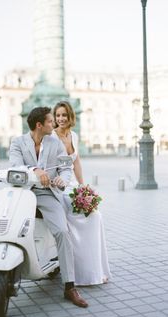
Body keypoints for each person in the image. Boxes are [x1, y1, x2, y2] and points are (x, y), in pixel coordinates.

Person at [0, 107, 88, 308]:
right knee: (2, 232)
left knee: (61, 232)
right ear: (39, 125)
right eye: (51, 121)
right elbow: (16, 165)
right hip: (21, 192)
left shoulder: (55, 142)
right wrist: (35, 169)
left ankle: (69, 287)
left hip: (46, 193)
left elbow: (65, 168)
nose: (54, 124)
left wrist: (62, 179)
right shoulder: (18, 142)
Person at [52, 101, 111, 285]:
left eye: (64, 115)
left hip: (73, 185)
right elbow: (49, 166)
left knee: (95, 217)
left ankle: (93, 269)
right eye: (58, 115)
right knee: (81, 219)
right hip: (58, 186)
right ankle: (76, 272)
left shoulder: (73, 135)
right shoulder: (51, 138)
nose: (61, 118)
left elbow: (76, 162)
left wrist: (83, 187)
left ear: (70, 117)